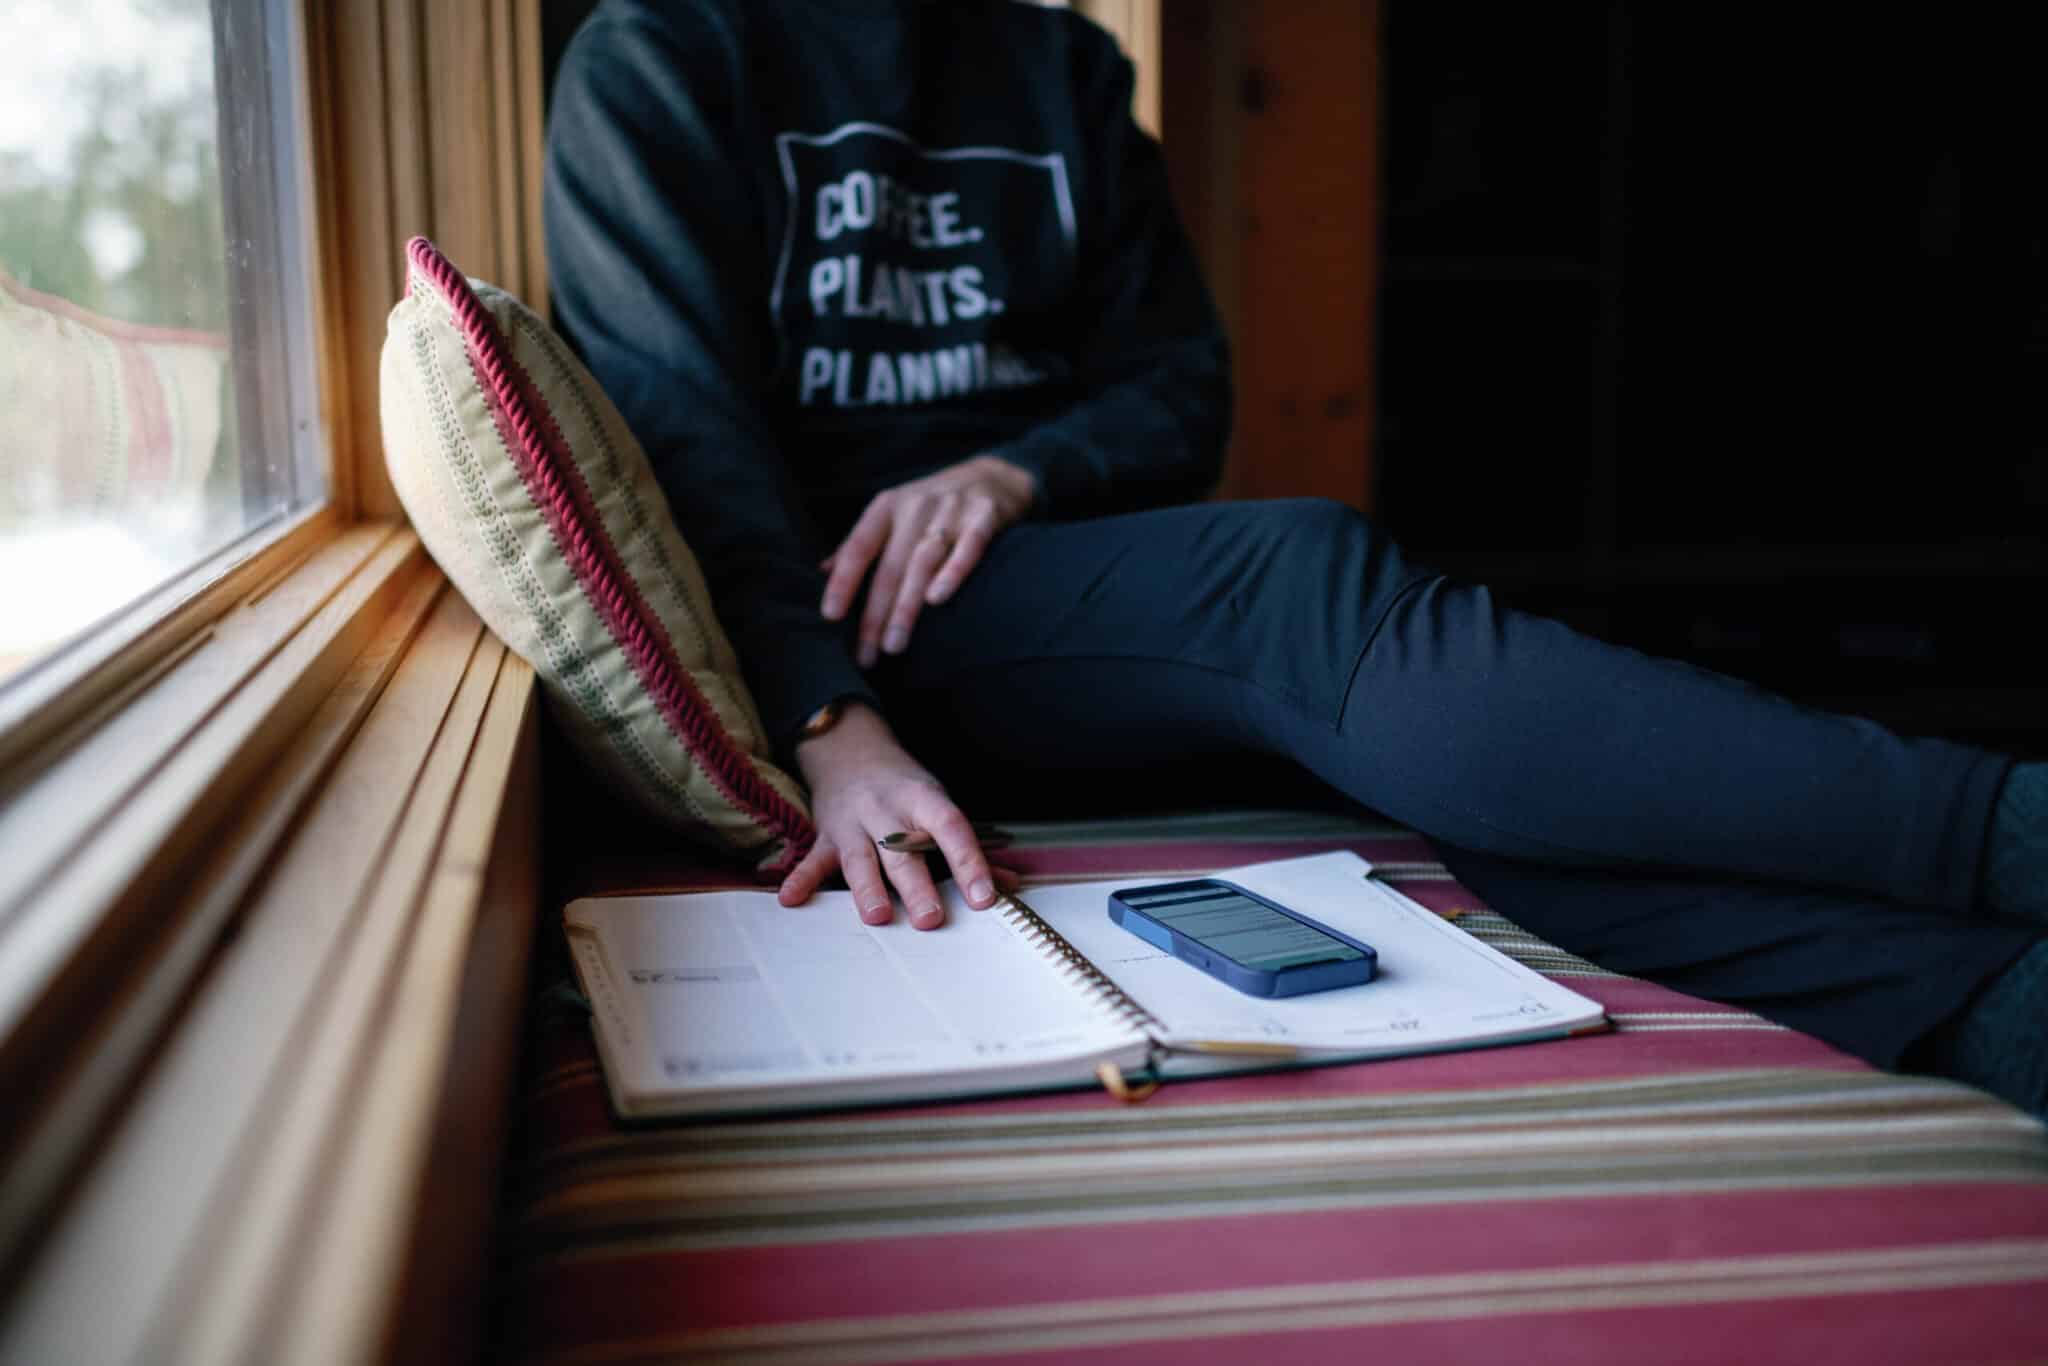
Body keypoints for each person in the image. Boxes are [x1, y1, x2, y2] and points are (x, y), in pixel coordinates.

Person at [542, 0, 2046, 1115]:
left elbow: (1178, 385)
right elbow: (685, 450)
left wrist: (1020, 468)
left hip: (1073, 592)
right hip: (850, 626)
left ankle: (1993, 1002)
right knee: (1293, 580)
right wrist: (826, 724)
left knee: (1470, 783)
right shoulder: (662, 61)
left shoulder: (1056, 62)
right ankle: (2007, 824)